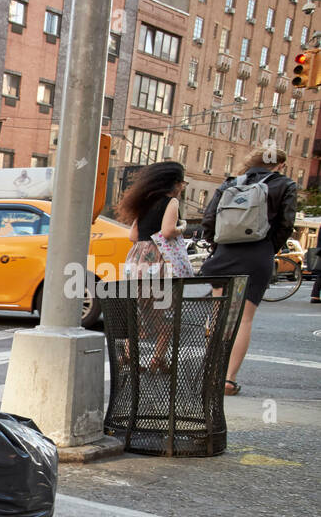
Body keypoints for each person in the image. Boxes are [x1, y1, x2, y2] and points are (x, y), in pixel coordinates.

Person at [200, 147, 297, 395]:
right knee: (244, 318)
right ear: (280, 165)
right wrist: (268, 248)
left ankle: (211, 373)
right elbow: (286, 224)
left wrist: (217, 245)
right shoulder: (285, 185)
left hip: (224, 254)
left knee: (218, 314)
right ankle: (229, 380)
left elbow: (209, 219)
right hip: (257, 254)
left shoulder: (230, 183)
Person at [116, 160, 186, 372]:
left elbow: (133, 235)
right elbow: (166, 232)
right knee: (164, 312)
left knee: (137, 310)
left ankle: (129, 356)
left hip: (137, 258)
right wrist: (182, 227)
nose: (182, 187)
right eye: (183, 183)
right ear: (175, 183)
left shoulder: (142, 202)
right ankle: (158, 359)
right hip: (158, 259)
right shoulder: (171, 202)